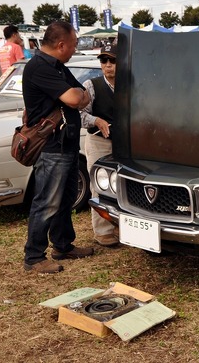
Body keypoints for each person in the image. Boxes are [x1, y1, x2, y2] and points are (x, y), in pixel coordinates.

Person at [22, 20, 94, 274]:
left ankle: (63, 244)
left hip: (67, 143)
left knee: (64, 198)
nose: (75, 48)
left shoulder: (58, 66)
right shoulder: (40, 67)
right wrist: (77, 97)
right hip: (52, 145)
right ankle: (34, 256)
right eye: (74, 44)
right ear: (61, 44)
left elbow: (82, 97)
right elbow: (77, 97)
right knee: (47, 201)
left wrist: (77, 97)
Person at [80, 44, 119, 246]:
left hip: (123, 143)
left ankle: (120, 226)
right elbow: (80, 114)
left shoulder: (128, 85)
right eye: (104, 61)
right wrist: (97, 121)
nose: (108, 65)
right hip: (98, 141)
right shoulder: (91, 85)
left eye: (112, 60)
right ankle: (103, 232)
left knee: (121, 186)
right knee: (99, 185)